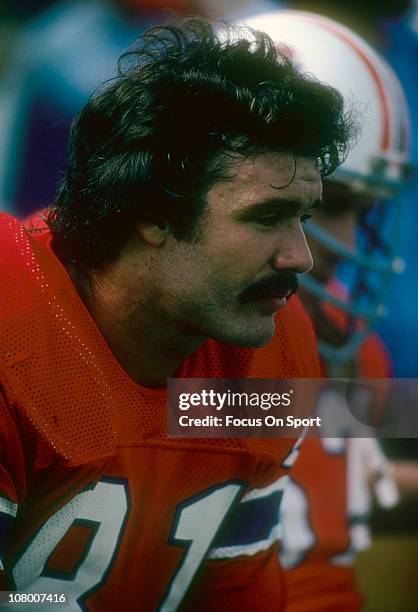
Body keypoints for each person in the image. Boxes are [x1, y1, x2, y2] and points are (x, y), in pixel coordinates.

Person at [0, 17, 354, 611]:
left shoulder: (270, 347)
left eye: (307, 218)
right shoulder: (16, 318)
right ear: (153, 212)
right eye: (266, 217)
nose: (301, 257)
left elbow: (235, 595)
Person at [240, 9, 412, 612]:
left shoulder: (350, 348)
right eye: (328, 201)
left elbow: (348, 480)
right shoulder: (159, 357)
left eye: (360, 209)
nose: (345, 246)